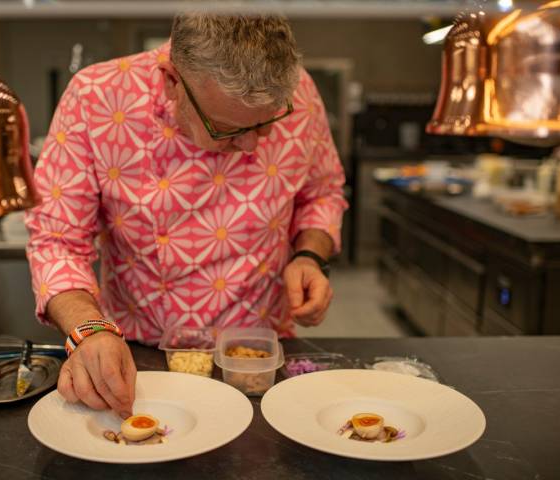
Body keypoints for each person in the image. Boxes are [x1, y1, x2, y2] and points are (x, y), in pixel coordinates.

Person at [25, 13, 347, 419]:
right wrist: (90, 330)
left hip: (258, 361)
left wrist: (309, 256)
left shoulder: (301, 92)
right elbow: (57, 241)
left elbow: (323, 190)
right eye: (228, 128)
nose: (251, 146)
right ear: (172, 82)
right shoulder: (97, 97)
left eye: (266, 125)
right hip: (141, 358)